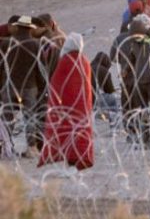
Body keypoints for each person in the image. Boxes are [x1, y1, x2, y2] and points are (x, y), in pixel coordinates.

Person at [38, 33, 94, 171]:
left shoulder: (65, 61)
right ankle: (76, 163)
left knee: (65, 134)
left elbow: (56, 84)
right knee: (79, 133)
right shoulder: (85, 61)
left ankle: (68, 163)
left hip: (65, 108)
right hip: (82, 108)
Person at [114, 14, 150, 149]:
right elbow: (133, 57)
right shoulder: (135, 42)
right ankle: (146, 138)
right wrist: (126, 69)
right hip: (139, 81)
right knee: (143, 111)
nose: (134, 39)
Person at [4, 16, 48, 157]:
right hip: (30, 86)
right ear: (30, 28)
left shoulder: (6, 43)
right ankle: (31, 148)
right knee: (30, 117)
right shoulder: (35, 44)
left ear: (17, 27)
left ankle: (5, 146)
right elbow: (41, 69)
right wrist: (43, 87)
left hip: (9, 85)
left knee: (8, 118)